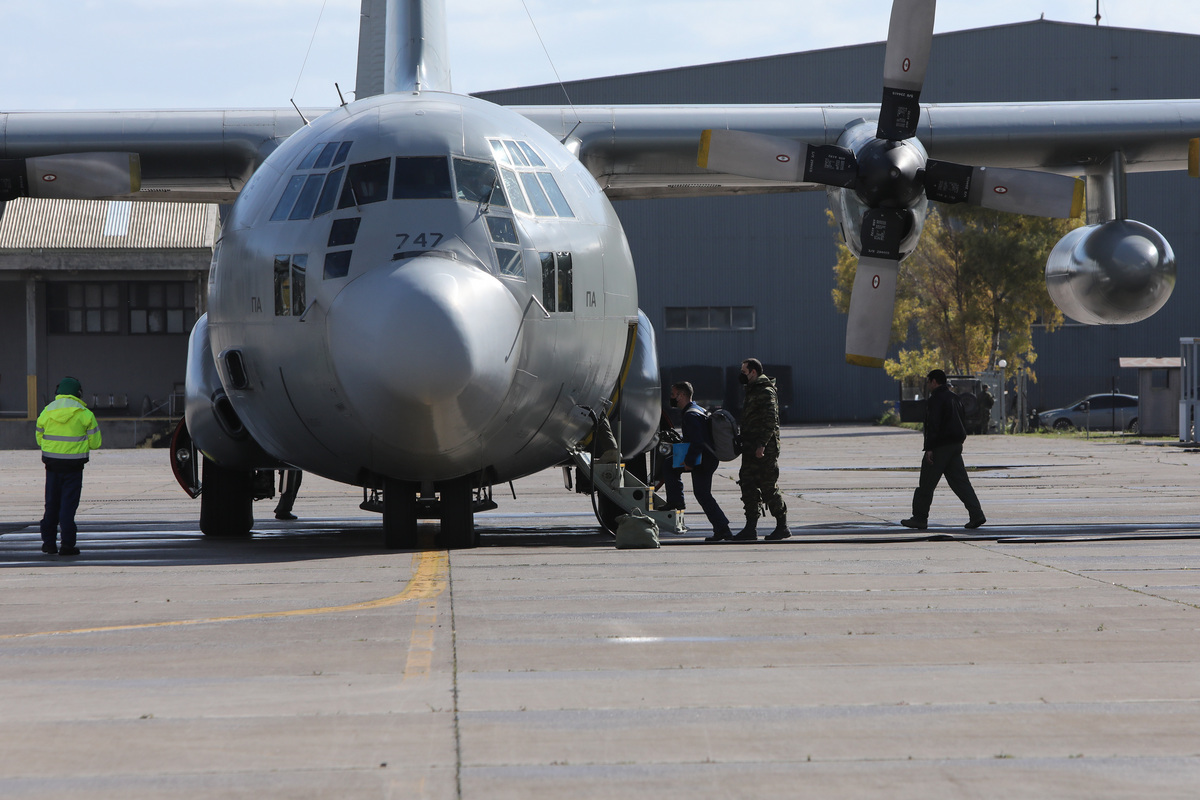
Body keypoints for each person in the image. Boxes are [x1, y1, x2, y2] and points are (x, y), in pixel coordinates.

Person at [901, 369, 986, 530]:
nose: (928, 385)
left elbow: (933, 425)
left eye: (928, 382)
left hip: (940, 446)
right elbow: (962, 420)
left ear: (934, 381)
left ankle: (919, 517)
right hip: (955, 446)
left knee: (926, 483)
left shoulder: (936, 399)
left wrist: (929, 448)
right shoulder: (956, 398)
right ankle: (977, 514)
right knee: (961, 483)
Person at [35, 377, 102, 556]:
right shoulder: (85, 414)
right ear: (78, 393)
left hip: (52, 467)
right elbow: (95, 444)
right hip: (73, 468)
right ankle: (67, 546)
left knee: (51, 505)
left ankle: (48, 544)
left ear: (59, 392)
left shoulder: (46, 411)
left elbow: (39, 439)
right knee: (67, 507)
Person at [667, 382, 733, 542]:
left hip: (704, 459)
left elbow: (697, 441)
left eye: (673, 394)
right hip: (706, 458)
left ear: (681, 395)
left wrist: (689, 462)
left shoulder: (690, 415)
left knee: (702, 494)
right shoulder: (697, 409)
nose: (671, 398)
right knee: (671, 466)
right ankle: (721, 528)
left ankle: (722, 528)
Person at [734, 359, 790, 541]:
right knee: (747, 484)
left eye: (744, 371)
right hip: (750, 446)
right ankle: (751, 527)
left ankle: (782, 526)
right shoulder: (752, 390)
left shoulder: (765, 391)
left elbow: (770, 421)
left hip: (764, 449)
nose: (741, 374)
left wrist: (762, 445)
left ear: (753, 372)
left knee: (767, 487)